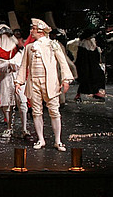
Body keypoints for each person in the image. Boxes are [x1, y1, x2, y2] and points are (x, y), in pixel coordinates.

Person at [15, 18, 74, 151]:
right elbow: (24, 66)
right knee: (36, 111)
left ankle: (58, 140)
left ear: (40, 31)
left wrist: (66, 79)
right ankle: (41, 139)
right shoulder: (29, 47)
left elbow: (63, 63)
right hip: (34, 82)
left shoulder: (52, 45)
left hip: (50, 83)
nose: (31, 31)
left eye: (33, 29)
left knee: (54, 111)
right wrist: (19, 81)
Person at [0, 24, 29, 139]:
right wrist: (7, 65)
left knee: (22, 102)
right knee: (6, 104)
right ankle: (9, 127)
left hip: (18, 77)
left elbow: (24, 62)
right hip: (4, 78)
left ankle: (24, 128)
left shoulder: (17, 47)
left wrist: (16, 66)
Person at [74, 27, 106, 102]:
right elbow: (82, 56)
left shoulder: (91, 41)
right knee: (86, 79)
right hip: (86, 64)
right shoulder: (83, 43)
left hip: (93, 63)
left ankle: (95, 92)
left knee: (97, 76)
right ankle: (78, 94)